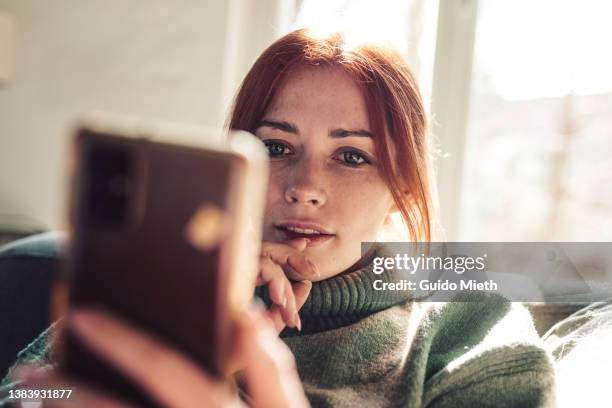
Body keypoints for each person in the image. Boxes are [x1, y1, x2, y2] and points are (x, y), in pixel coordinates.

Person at [0, 28, 556, 407]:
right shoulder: (162, 289)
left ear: (401, 186)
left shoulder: (473, 333)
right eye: (275, 148)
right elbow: (28, 393)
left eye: (352, 156)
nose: (306, 188)